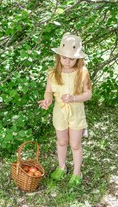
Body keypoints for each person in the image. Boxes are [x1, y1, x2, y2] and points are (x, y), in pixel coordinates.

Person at [38, 32, 92, 186]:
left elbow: (88, 94)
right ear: (59, 57)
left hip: (76, 113)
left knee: (75, 144)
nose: (67, 61)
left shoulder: (82, 72)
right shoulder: (53, 73)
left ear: (78, 59)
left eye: (72, 59)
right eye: (64, 57)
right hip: (59, 112)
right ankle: (62, 167)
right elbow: (49, 91)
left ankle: (77, 172)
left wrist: (74, 98)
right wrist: (48, 99)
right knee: (62, 141)